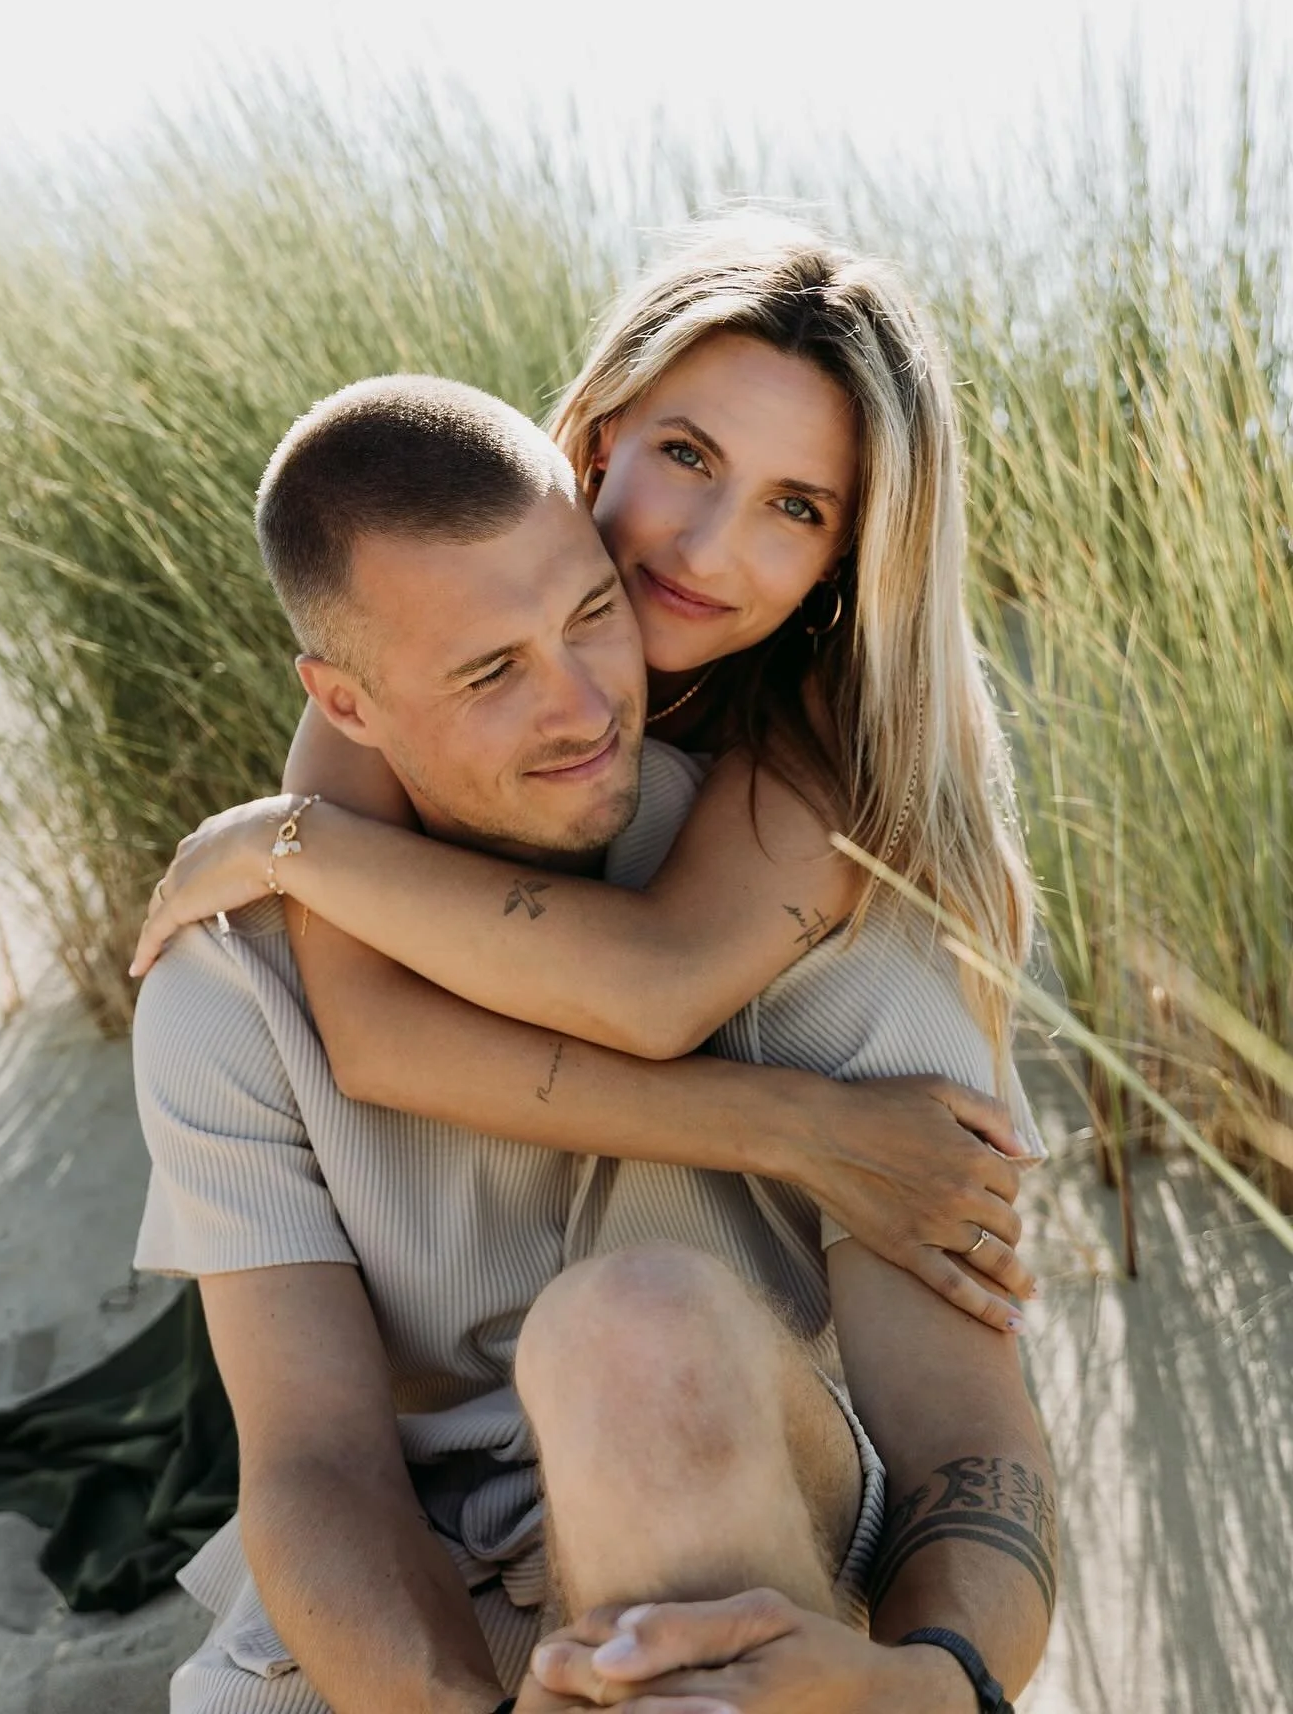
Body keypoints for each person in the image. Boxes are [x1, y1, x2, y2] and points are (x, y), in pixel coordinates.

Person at [131, 354, 1055, 1711]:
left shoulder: (818, 889)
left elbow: (972, 1447)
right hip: (415, 1590)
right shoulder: (232, 982)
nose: (583, 709)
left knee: (635, 1340)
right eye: (494, 670)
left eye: (593, 615)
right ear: (345, 704)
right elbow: (314, 1462)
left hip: (758, 1531)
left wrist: (937, 1686)